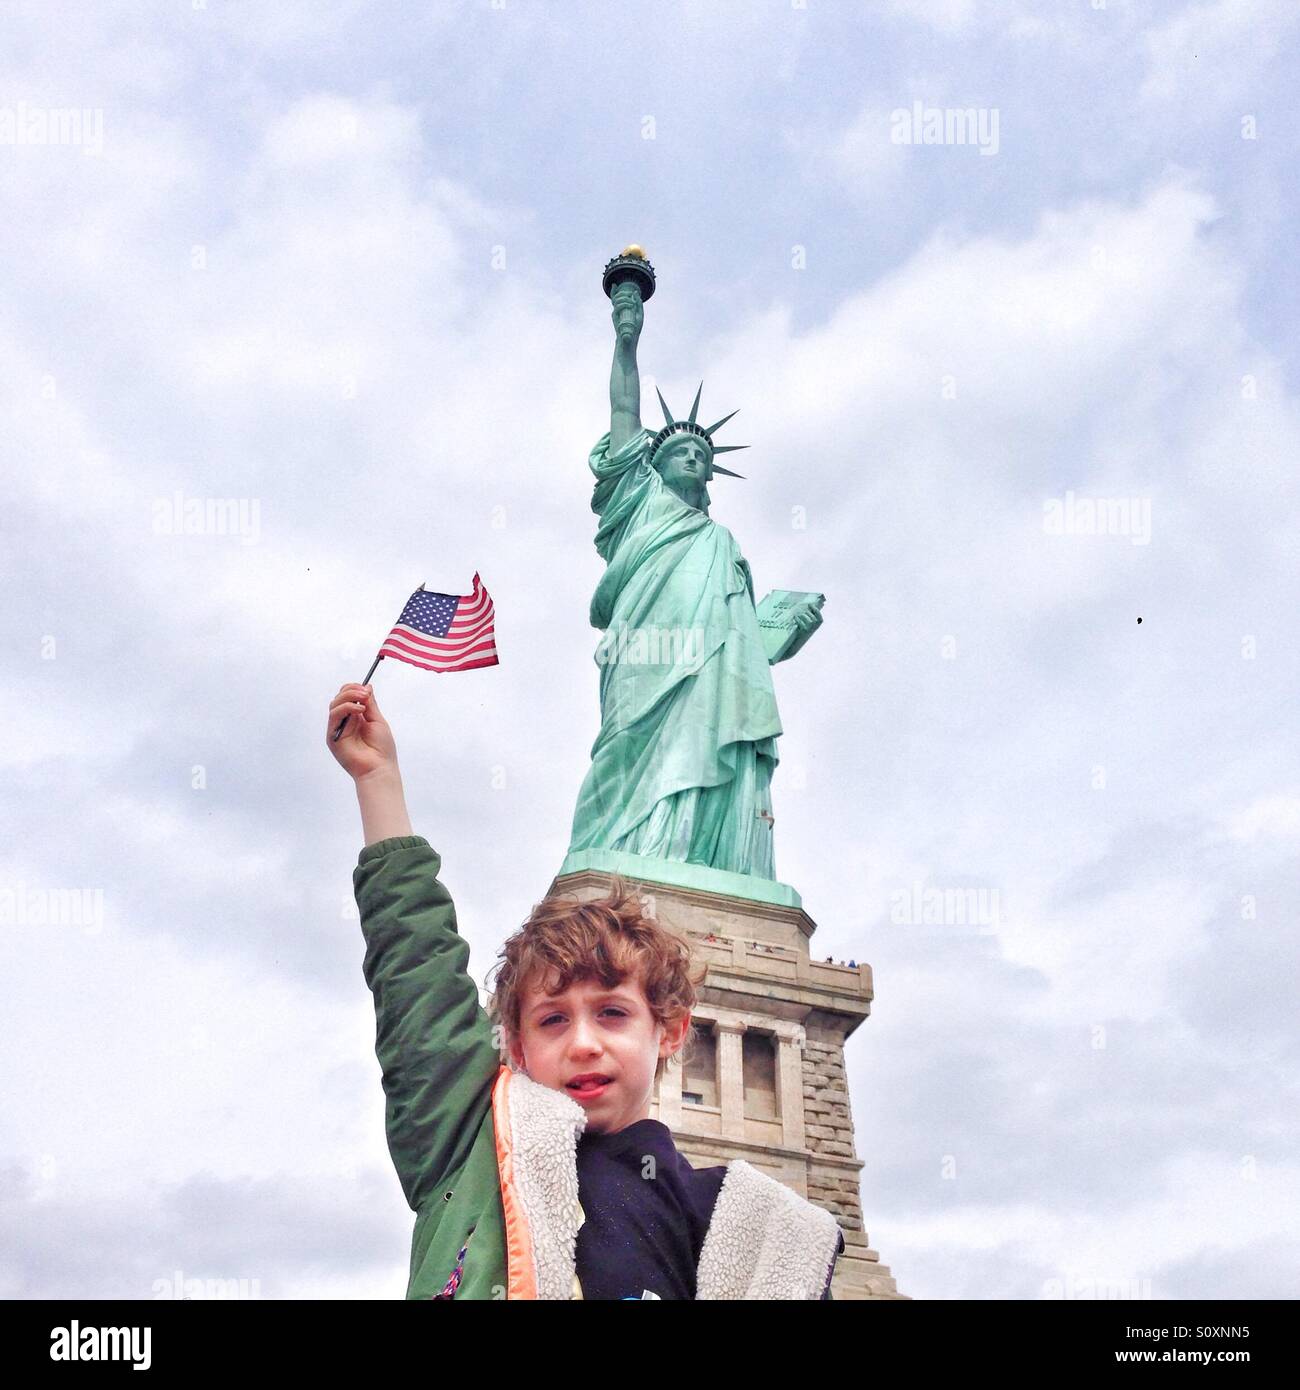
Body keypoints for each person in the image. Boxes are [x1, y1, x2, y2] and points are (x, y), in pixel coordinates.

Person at [327, 681, 845, 1300]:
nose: (583, 1043)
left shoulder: (740, 1228)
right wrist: (378, 779)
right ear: (516, 1046)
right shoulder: (473, 1149)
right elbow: (418, 979)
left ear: (671, 1029)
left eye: (612, 1014)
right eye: (552, 1020)